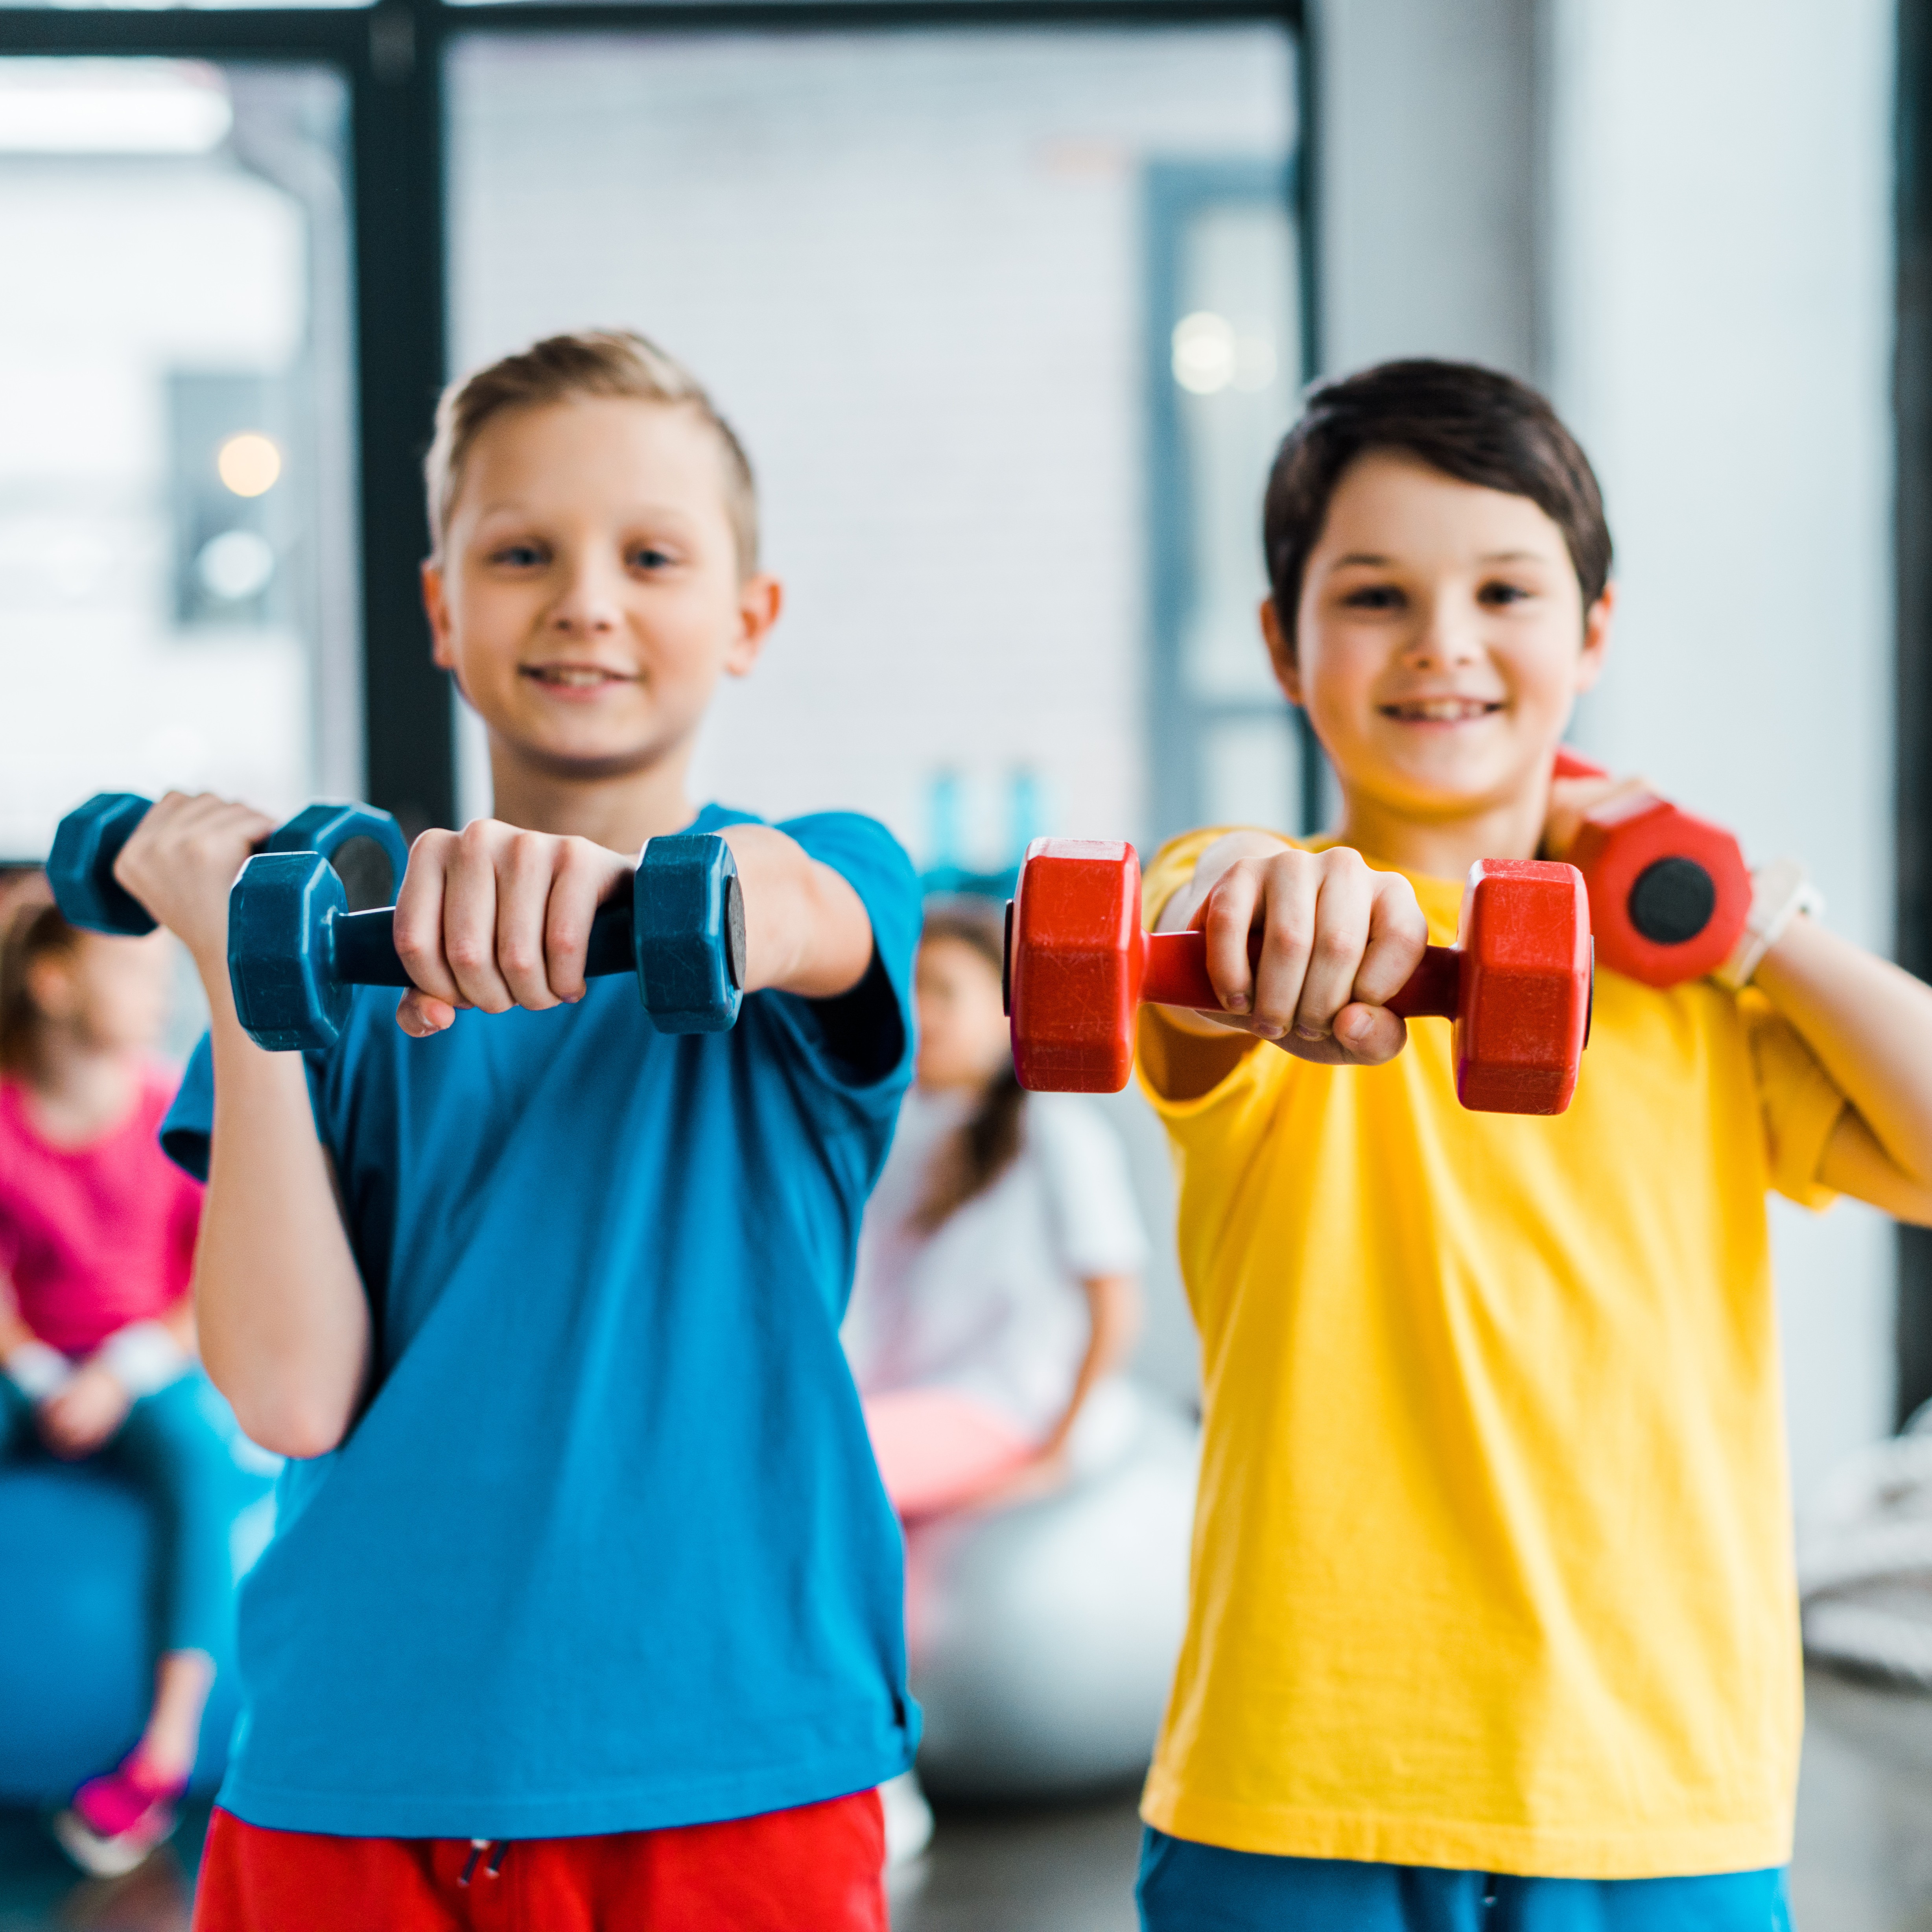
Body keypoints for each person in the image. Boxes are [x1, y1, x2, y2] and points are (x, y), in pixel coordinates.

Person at [113, 330, 920, 1930]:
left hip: (726, 1767)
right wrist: (236, 962)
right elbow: (287, 1388)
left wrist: (623, 892)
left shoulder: (817, 881)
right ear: (441, 607)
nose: (587, 600)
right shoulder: (330, 960)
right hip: (348, 1765)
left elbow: (799, 912)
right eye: (523, 553)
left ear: (749, 620)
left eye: (652, 557)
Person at [1130, 358, 1932, 1930]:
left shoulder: (1701, 993)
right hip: (1299, 1779)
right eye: (1373, 596)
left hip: (1652, 1787)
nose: (1442, 643)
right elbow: (1200, 906)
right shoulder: (1263, 924)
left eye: (1505, 589)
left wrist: (1738, 910)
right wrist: (1260, 891)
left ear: (1593, 632)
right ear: (1280, 645)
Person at [0, 901, 229, 1876]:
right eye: (135, 975)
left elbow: (210, 1281)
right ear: (54, 985)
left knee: (201, 1460)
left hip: (141, 1362)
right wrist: (43, 1375)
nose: (159, 994)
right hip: (30, 1364)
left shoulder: (166, 1108)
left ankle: (166, 1747)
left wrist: (118, 1372)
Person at [845, 898, 1145, 1519]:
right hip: (905, 1399)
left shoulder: (1053, 1129)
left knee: (826, 1462)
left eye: (946, 992)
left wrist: (1058, 1453)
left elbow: (1114, 1305)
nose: (923, 1014)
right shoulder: (894, 1128)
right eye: (912, 992)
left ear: (1005, 1008)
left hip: (1000, 1406)